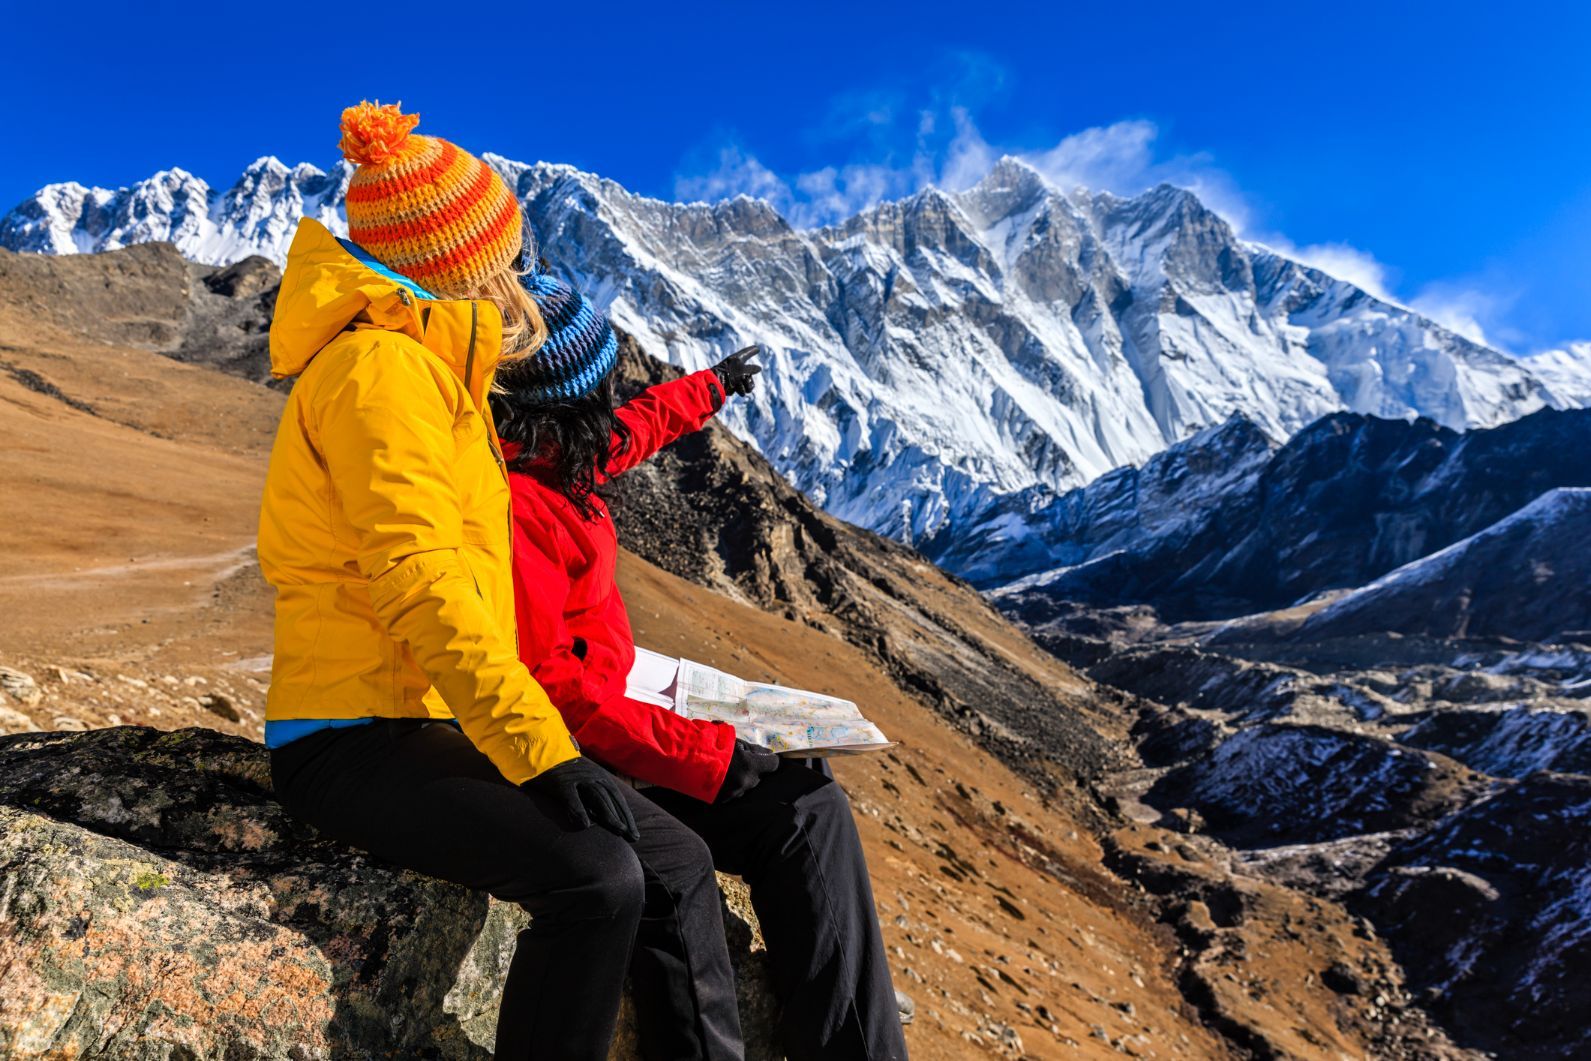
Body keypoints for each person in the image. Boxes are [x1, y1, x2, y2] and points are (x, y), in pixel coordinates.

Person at [260, 102, 645, 1061]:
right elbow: (423, 579)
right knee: (596, 878)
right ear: (467, 260)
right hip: (349, 732)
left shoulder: (429, 356)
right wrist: (540, 751)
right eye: (509, 248)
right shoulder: (379, 373)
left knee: (660, 850)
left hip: (412, 714)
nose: (521, 268)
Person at [491, 264, 910, 1061]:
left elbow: (628, 431)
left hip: (620, 717)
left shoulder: (555, 457)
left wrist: (709, 388)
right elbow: (556, 695)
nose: (608, 416)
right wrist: (717, 756)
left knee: (808, 803)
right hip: (575, 750)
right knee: (766, 821)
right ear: (553, 416)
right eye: (595, 400)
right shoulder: (517, 513)